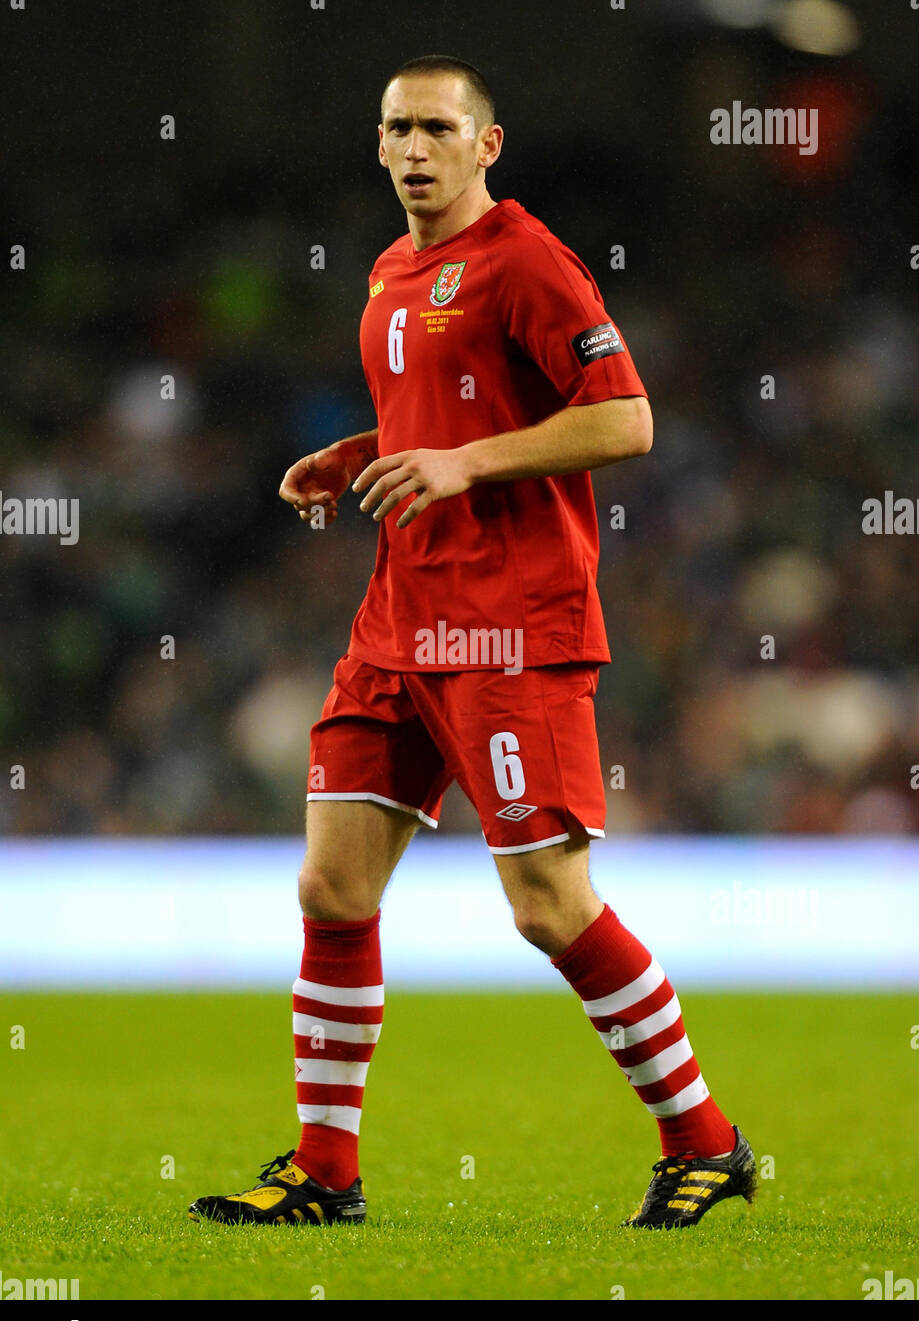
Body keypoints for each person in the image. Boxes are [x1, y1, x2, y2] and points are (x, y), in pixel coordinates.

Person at [189, 54, 756, 1232]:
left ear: (485, 146)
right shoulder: (394, 269)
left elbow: (626, 418)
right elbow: (443, 412)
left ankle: (708, 1143)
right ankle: (325, 1174)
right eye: (395, 127)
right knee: (331, 886)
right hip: (397, 623)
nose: (412, 149)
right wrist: (363, 453)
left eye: (437, 128)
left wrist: (461, 464)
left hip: (511, 627)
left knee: (550, 905)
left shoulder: (529, 264)